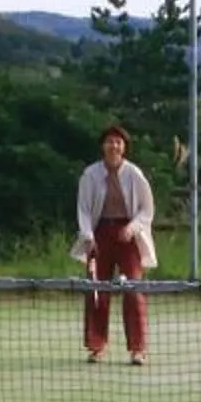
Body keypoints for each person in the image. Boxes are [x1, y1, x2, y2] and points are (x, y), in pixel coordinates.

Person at [70, 124, 155, 365]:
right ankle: (96, 346)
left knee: (133, 290)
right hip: (99, 234)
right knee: (97, 290)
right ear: (102, 146)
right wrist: (88, 235)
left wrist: (132, 227)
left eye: (118, 142)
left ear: (124, 147)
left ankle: (138, 349)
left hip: (128, 236)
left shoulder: (134, 174)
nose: (114, 146)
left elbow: (146, 209)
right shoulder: (90, 174)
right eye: (109, 142)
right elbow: (84, 210)